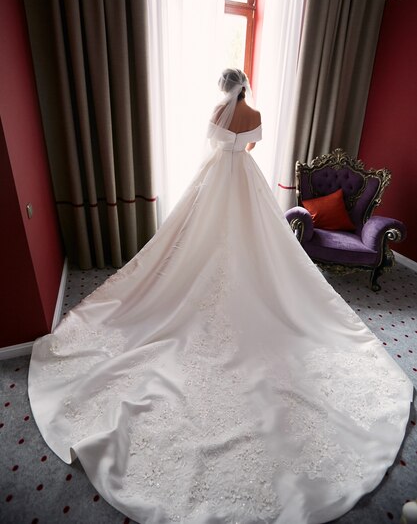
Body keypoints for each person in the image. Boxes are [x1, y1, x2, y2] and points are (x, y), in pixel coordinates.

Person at [29, 69, 412, 524]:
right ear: (246, 86)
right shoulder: (256, 112)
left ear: (225, 88)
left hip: (217, 178)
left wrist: (226, 144)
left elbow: (215, 143)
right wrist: (239, 147)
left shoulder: (218, 111)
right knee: (255, 240)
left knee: (195, 238)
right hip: (245, 179)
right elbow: (252, 145)